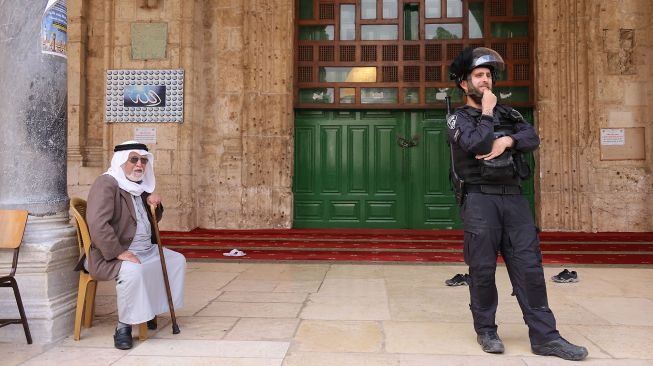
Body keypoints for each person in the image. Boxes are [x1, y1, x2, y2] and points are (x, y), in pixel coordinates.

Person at [446, 47, 588, 361]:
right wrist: (486, 113)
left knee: (530, 269)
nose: (486, 81)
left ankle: (545, 337)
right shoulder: (457, 119)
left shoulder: (509, 115)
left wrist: (507, 140)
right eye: (478, 75)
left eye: (488, 76)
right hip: (480, 200)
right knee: (482, 271)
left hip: (514, 200)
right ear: (463, 84)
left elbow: (531, 137)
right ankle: (486, 331)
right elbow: (476, 144)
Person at [80, 141, 186, 350]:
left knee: (177, 261)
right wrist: (119, 252)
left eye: (143, 160)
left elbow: (151, 219)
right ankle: (123, 326)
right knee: (133, 272)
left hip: (145, 250)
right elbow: (97, 223)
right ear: (121, 162)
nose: (140, 165)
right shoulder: (107, 183)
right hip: (109, 254)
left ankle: (148, 313)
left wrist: (156, 205)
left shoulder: (140, 187)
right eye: (134, 160)